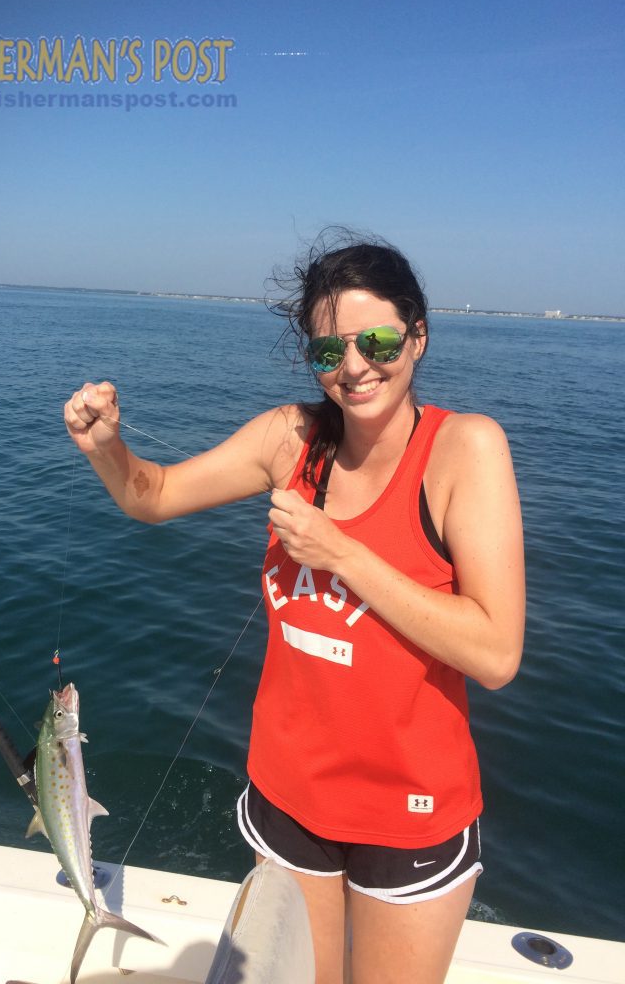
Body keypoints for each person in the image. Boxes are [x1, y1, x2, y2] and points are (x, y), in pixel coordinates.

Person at [63, 232, 525, 984]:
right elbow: (154, 496)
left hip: (409, 812)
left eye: (377, 341)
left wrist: (341, 552)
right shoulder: (290, 439)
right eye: (326, 352)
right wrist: (107, 448)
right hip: (289, 798)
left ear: (418, 335)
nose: (354, 367)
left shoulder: (464, 450)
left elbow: (497, 653)